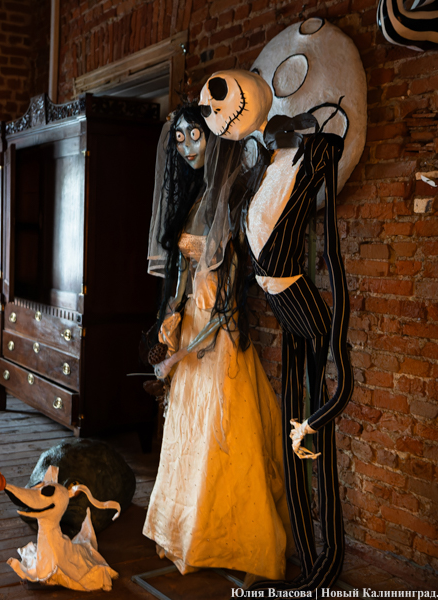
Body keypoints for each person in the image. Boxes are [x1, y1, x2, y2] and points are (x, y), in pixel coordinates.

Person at [199, 70, 354, 593]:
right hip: (282, 309)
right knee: (294, 439)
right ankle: (307, 565)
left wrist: (314, 421)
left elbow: (328, 247)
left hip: (306, 311)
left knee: (313, 441)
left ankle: (326, 567)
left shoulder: (315, 154)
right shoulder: (266, 163)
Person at [142, 102, 291, 584]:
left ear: (215, 137)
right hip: (190, 326)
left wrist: (192, 344)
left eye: (196, 136)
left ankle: (241, 541)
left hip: (218, 334)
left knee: (219, 434)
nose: (187, 147)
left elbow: (227, 294)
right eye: (180, 139)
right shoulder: (194, 199)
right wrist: (171, 324)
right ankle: (189, 533)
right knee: (187, 435)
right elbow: (185, 278)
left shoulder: (231, 197)